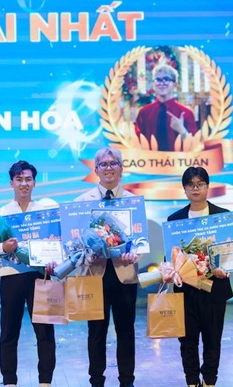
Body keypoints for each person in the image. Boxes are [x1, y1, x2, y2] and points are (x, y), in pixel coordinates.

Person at [0, 160, 55, 387]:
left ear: (35, 183)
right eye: (19, 179)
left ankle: (45, 382)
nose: (24, 184)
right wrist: (3, 247)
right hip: (11, 277)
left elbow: (57, 243)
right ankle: (9, 381)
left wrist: (54, 260)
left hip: (40, 277)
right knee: (9, 332)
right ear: (11, 183)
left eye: (28, 179)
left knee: (45, 332)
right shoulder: (0, 214)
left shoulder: (46, 213)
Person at [74, 147, 139, 387]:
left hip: (125, 273)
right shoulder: (82, 203)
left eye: (113, 163)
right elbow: (75, 242)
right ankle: (96, 381)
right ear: (96, 170)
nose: (109, 168)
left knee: (126, 331)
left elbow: (140, 239)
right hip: (94, 274)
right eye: (104, 164)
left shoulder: (133, 201)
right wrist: (86, 255)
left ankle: (127, 381)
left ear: (121, 168)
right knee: (96, 332)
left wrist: (136, 253)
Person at [166, 166, 233, 387]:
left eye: (200, 184)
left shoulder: (223, 217)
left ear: (207, 187)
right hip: (186, 290)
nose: (195, 189)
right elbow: (170, 255)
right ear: (184, 189)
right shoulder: (175, 219)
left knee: (213, 339)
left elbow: (232, 253)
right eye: (190, 185)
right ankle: (192, 381)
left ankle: (210, 381)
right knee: (187, 340)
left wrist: (225, 267)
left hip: (215, 288)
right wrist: (171, 270)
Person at [135, 63, 197, 151]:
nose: (162, 83)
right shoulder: (144, 112)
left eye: (166, 79)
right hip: (149, 158)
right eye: (158, 80)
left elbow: (195, 147)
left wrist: (182, 130)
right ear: (153, 84)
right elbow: (136, 142)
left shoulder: (186, 113)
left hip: (178, 159)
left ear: (175, 84)